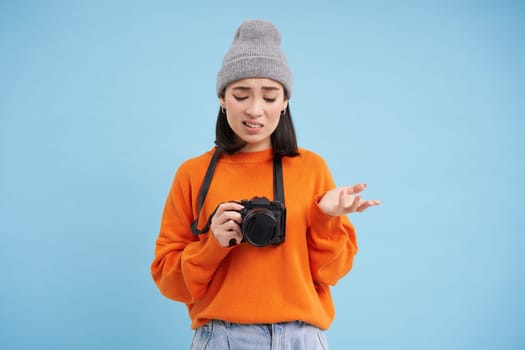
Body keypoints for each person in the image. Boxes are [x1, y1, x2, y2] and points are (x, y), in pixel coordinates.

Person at [151, 19, 380, 350]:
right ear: (222, 98)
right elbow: (169, 283)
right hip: (221, 337)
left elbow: (332, 272)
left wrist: (325, 219)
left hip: (302, 337)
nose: (255, 110)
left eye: (270, 97)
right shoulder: (193, 174)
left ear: (285, 101)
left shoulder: (311, 168)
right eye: (241, 95)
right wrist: (213, 243)